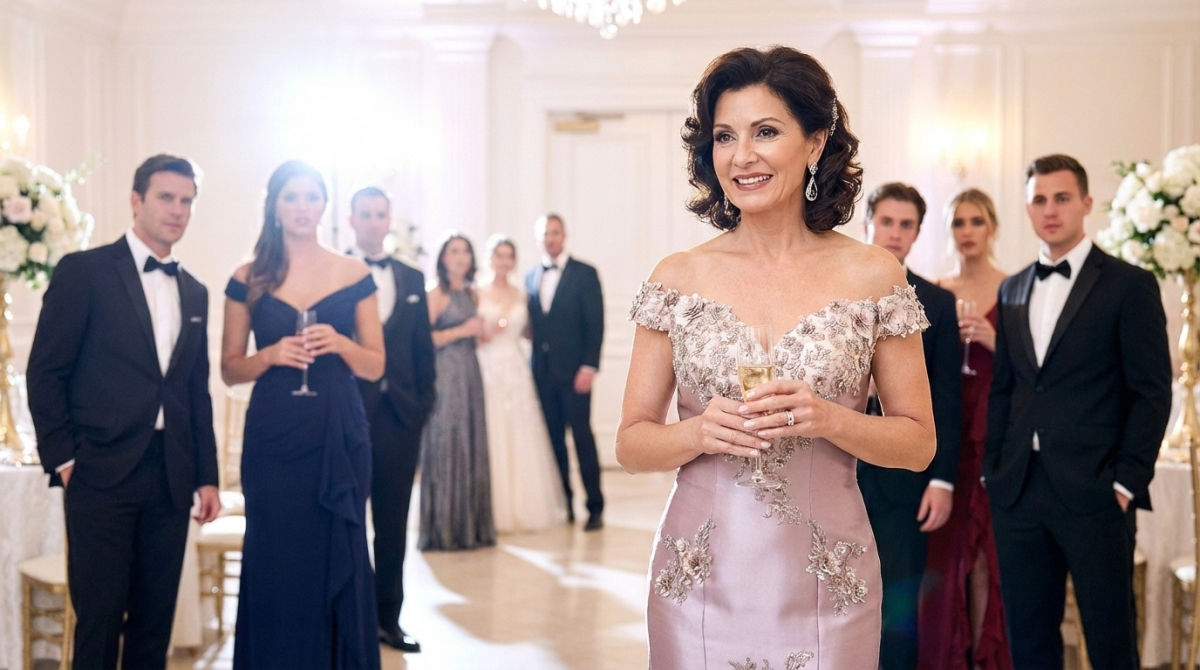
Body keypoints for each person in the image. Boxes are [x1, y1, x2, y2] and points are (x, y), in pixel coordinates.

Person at [616, 46, 936, 668]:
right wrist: (699, 431)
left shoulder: (873, 274)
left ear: (816, 143)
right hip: (698, 581)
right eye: (725, 136)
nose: (742, 156)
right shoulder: (677, 277)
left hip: (828, 582)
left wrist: (829, 418)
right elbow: (631, 444)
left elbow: (918, 443)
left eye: (766, 131)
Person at [27, 153, 221, 670]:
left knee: (153, 623)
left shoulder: (195, 291)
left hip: (171, 474)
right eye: (166, 197)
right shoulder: (84, 272)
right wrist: (64, 460)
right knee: (99, 619)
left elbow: (195, 391)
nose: (177, 210)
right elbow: (46, 373)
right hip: (99, 473)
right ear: (136, 201)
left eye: (186, 201)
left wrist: (206, 476)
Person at [986, 154, 1171, 669]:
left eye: (1062, 198)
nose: (1050, 210)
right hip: (1019, 489)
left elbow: (1151, 393)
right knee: (1029, 641)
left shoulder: (1129, 285)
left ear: (1086, 203)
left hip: (1097, 491)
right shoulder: (1013, 288)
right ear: (1027, 207)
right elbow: (1005, 389)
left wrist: (1126, 482)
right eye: (1039, 199)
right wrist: (994, 473)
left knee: (1111, 642)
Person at [221, 160, 385, 669]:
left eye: (311, 197)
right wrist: (269, 355)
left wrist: (339, 344)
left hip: (338, 433)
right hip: (273, 437)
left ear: (324, 206)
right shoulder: (247, 277)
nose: (302, 207)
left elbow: (376, 366)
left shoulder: (354, 274)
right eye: (291, 197)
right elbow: (229, 368)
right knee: (276, 555)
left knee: (340, 545)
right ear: (273, 205)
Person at [860, 182, 961, 670]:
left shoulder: (938, 304)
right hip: (838, 473)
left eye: (906, 225)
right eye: (886, 222)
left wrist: (941, 479)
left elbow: (947, 396)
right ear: (867, 223)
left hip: (906, 479)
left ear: (918, 233)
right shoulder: (831, 291)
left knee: (898, 606)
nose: (894, 233)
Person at [920, 188, 1012, 670]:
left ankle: (985, 658)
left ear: (992, 227)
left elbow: (1035, 371)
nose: (968, 232)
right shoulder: (937, 290)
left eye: (977, 221)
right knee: (948, 558)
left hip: (996, 432)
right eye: (959, 223)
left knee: (986, 559)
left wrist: (996, 341)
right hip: (949, 433)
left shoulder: (1015, 286)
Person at [346, 186, 435, 653]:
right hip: (346, 420)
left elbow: (424, 354)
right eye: (366, 214)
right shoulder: (333, 273)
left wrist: (420, 411)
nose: (374, 222)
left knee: (393, 523)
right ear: (351, 219)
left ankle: (388, 619)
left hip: (400, 420)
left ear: (389, 220)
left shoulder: (412, 278)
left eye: (381, 214)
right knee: (346, 521)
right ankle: (349, 616)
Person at [477, 234, 567, 533]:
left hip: (515, 368)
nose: (503, 261)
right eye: (498, 255)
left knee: (519, 432)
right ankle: (487, 509)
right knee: (491, 431)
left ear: (513, 261)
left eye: (508, 256)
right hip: (486, 366)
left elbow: (530, 332)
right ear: (489, 259)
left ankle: (520, 507)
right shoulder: (476, 293)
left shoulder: (522, 294)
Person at [524, 213, 606, 530]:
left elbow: (595, 324)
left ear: (564, 235)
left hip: (575, 374)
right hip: (541, 374)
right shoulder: (531, 276)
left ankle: (594, 506)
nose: (550, 238)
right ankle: (565, 504)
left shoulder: (585, 274)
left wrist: (589, 366)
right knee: (552, 441)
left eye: (555, 232)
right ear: (538, 238)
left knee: (582, 438)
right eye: (544, 233)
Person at [418, 233, 495, 550]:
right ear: (443, 258)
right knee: (448, 439)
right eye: (454, 251)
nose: (461, 257)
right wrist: (463, 330)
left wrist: (480, 335)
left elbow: (472, 337)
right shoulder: (436, 294)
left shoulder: (473, 295)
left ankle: (471, 528)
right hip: (445, 374)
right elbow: (424, 341)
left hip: (469, 371)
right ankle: (445, 529)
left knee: (470, 439)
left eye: (466, 251)